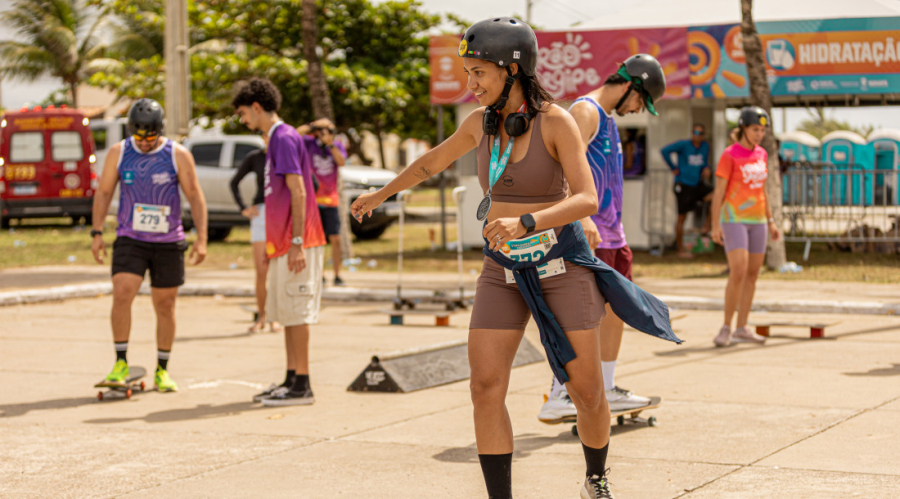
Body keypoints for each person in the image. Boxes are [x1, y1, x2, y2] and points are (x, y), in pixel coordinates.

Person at [350, 18, 680, 499]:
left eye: (479, 72)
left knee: (586, 391)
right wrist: (380, 193)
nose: (471, 83)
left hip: (560, 266)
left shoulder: (557, 121)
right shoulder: (478, 124)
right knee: (485, 387)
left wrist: (526, 222)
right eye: (467, 73)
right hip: (501, 269)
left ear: (513, 68)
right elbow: (430, 163)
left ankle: (595, 478)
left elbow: (587, 198)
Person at [539, 54, 667, 430]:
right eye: (641, 101)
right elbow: (557, 166)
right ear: (632, 85)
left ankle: (606, 385)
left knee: (617, 311)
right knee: (582, 316)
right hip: (587, 232)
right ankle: (559, 392)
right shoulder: (586, 111)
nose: (638, 109)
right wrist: (581, 216)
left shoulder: (607, 119)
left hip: (613, 234)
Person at [90, 98, 208, 392]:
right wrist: (96, 233)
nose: (143, 142)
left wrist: (202, 238)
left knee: (165, 305)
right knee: (122, 292)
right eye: (138, 135)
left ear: (159, 131)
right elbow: (104, 193)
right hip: (131, 238)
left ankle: (162, 369)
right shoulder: (119, 153)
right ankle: (120, 363)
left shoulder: (177, 154)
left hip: (168, 241)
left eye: (149, 136)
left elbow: (195, 195)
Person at [232, 78, 327, 406]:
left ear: (257, 108)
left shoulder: (284, 137)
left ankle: (303, 385)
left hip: (298, 241)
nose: (243, 120)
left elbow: (299, 191)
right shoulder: (275, 139)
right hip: (282, 243)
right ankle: (291, 378)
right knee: (286, 312)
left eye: (243, 113)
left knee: (297, 312)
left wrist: (298, 242)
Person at [710, 106, 781, 347]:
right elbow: (719, 192)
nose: (759, 134)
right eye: (755, 129)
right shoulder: (730, 154)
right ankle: (726, 326)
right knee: (738, 270)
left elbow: (762, 190)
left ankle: (742, 327)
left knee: (752, 274)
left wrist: (771, 221)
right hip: (733, 218)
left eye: (762, 130)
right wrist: (715, 225)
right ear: (743, 128)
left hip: (758, 219)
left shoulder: (762, 154)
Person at [230, 133, 282, 333]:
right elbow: (234, 182)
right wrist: (244, 208)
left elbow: (311, 184)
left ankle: (275, 318)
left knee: (278, 270)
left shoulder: (287, 156)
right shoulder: (255, 157)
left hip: (280, 215)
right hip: (261, 213)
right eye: (267, 134)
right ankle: (262, 316)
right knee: (262, 270)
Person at [297, 118, 348, 286]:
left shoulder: (337, 146)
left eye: (331, 131)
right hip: (314, 200)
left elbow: (341, 162)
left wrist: (330, 144)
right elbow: (295, 134)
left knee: (335, 238)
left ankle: (337, 274)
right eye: (325, 131)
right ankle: (320, 274)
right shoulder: (310, 143)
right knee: (315, 239)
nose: (328, 134)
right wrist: (314, 126)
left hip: (331, 199)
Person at [661, 124, 713, 257]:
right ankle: (680, 250)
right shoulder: (683, 144)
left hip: (697, 184)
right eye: (695, 132)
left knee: (715, 196)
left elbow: (704, 163)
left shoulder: (705, 146)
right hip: (683, 184)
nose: (698, 135)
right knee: (681, 217)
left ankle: (707, 226)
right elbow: (664, 151)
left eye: (700, 133)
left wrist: (706, 169)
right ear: (692, 133)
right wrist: (673, 167)